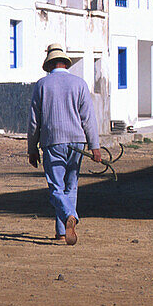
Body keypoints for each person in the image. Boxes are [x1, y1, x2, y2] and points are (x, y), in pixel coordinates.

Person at [28, 43, 101, 245]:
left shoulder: (42, 85)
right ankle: (62, 231)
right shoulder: (79, 84)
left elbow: (34, 121)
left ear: (49, 64)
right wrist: (95, 146)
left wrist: (32, 149)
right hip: (77, 141)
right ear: (65, 63)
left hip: (53, 142)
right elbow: (88, 118)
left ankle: (69, 215)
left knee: (56, 188)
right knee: (71, 186)